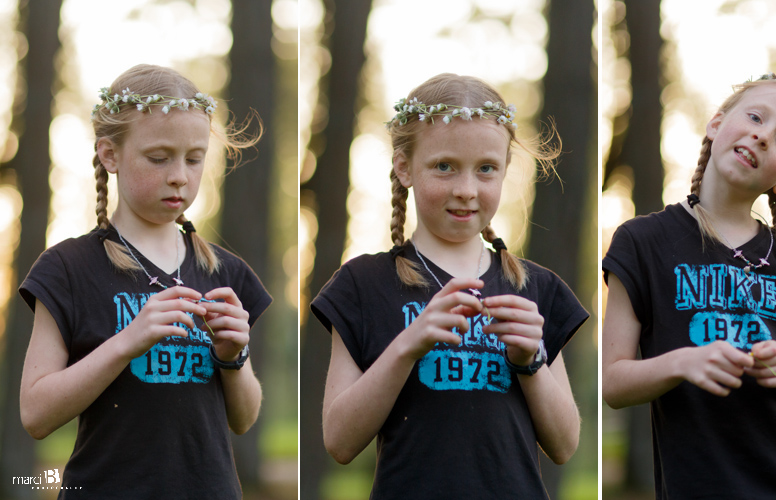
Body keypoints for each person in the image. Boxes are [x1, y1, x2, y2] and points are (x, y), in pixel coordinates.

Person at [311, 73, 589, 499]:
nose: (466, 190)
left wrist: (531, 361)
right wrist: (408, 345)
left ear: (504, 171)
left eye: (486, 170)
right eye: (444, 167)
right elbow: (340, 442)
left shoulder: (536, 287)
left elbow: (565, 445)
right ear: (404, 167)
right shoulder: (361, 285)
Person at [18, 64, 271, 499]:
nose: (180, 175)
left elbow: (243, 419)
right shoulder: (68, 268)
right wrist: (127, 342)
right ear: (109, 155)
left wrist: (233, 356)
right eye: (159, 158)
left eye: (194, 159)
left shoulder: (224, 272)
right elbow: (35, 414)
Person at [603, 73, 776, 499]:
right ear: (717, 124)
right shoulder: (641, 242)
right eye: (756, 117)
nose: (762, 136)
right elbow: (612, 382)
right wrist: (682, 362)